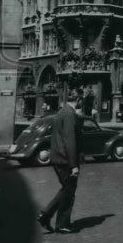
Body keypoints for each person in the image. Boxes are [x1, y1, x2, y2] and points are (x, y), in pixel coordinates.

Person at [38, 92, 83, 234]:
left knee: (66, 189)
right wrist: (73, 165)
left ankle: (45, 215)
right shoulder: (69, 114)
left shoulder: (61, 112)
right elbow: (70, 141)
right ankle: (62, 225)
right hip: (65, 159)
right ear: (78, 99)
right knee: (69, 192)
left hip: (58, 157)